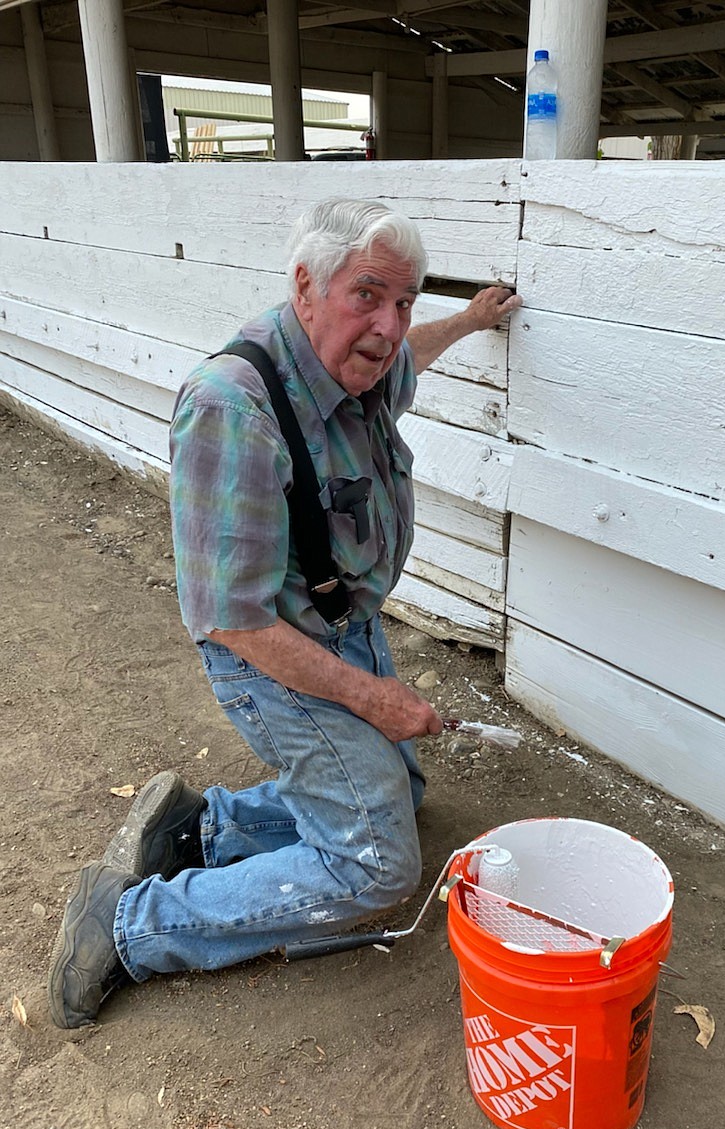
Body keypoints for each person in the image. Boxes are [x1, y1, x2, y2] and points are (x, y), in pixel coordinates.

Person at [48, 197, 521, 1029]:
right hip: (271, 655)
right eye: (367, 295)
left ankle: (203, 828)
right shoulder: (235, 409)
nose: (387, 324)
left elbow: (409, 351)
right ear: (306, 286)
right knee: (378, 866)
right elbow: (234, 620)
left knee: (398, 801)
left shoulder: (360, 364)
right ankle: (127, 926)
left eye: (403, 301)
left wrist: (471, 319)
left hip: (342, 628)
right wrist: (374, 698)